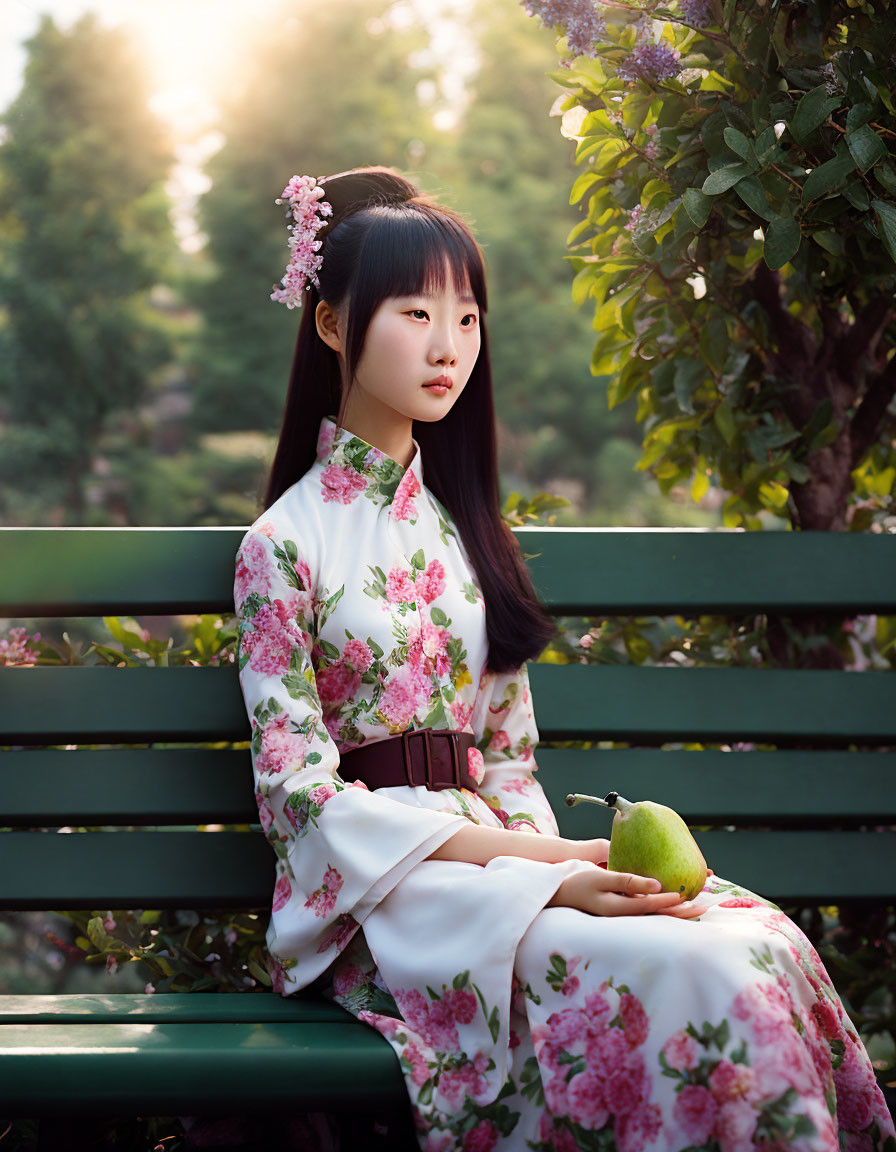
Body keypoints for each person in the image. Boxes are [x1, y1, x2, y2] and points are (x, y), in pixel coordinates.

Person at [233, 164, 894, 1152]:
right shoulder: (281, 546)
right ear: (331, 325)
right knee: (694, 972)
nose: (446, 346)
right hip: (384, 899)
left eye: (466, 319)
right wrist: (551, 872)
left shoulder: (462, 537)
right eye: (415, 314)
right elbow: (301, 799)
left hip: (502, 863)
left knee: (750, 942)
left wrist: (548, 868)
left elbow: (505, 757)